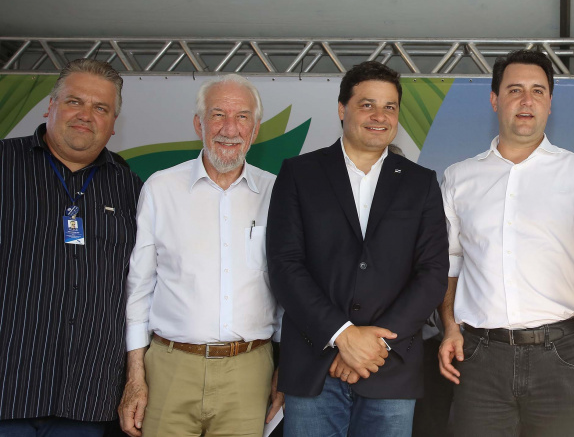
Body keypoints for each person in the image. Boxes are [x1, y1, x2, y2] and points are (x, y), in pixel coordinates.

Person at [266, 61, 449, 436]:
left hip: (390, 366)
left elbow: (432, 274)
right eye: (367, 105)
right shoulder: (299, 174)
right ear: (342, 109)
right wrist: (343, 336)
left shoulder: (421, 183)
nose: (380, 116)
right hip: (314, 364)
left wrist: (374, 344)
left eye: (389, 107)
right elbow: (285, 266)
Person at [438, 49, 574, 436]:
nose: (527, 101)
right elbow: (449, 264)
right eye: (515, 90)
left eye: (538, 91)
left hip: (564, 355)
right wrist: (449, 327)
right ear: (494, 100)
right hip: (479, 358)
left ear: (550, 102)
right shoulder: (460, 177)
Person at [118, 74, 283, 437]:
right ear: (198, 124)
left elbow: (289, 288)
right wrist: (135, 375)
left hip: (249, 372)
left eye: (242, 117)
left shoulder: (277, 192)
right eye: (217, 114)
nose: (229, 128)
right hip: (169, 368)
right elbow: (139, 288)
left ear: (255, 130)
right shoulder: (160, 188)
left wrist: (284, 369)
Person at [0, 59, 143, 436]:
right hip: (7, 390)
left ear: (113, 124)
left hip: (87, 400)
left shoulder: (131, 189)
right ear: (50, 106)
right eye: (74, 102)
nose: (85, 115)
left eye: (101, 108)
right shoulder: (4, 163)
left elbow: (141, 287)